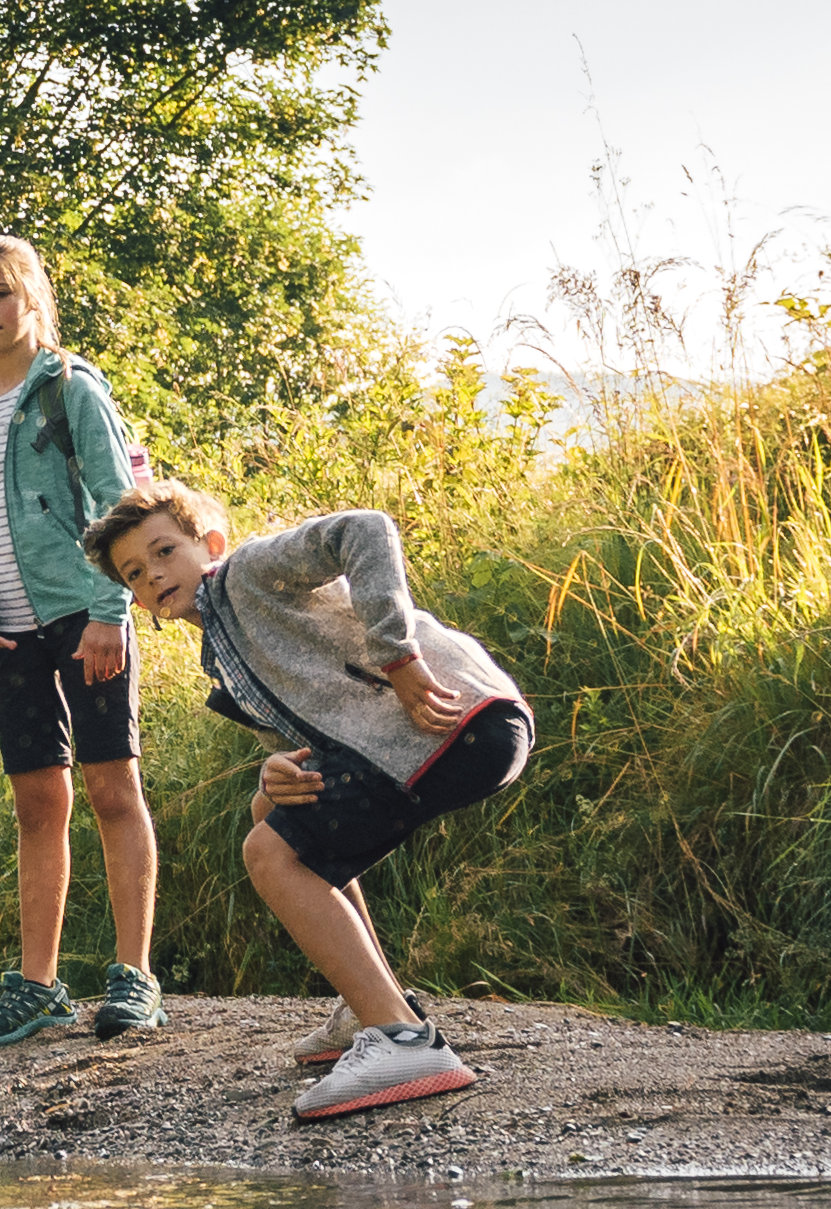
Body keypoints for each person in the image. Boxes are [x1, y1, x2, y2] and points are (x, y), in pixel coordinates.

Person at [84, 480, 533, 1122]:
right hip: (418, 744)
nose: (152, 574)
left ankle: (404, 1042)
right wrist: (276, 770)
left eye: (164, 551)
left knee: (269, 853)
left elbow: (365, 529)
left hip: (457, 722)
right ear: (134, 599)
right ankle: (371, 1006)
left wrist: (398, 656)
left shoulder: (247, 574)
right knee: (271, 814)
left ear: (210, 545)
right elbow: (307, 740)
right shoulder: (224, 650)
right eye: (134, 572)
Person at [0, 233, 161, 1050]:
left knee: (111, 788)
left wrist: (109, 610)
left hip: (82, 617)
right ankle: (37, 987)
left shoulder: (71, 389)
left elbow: (121, 506)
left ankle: (134, 977)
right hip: (8, 631)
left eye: (0, 292)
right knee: (36, 802)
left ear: (32, 296)